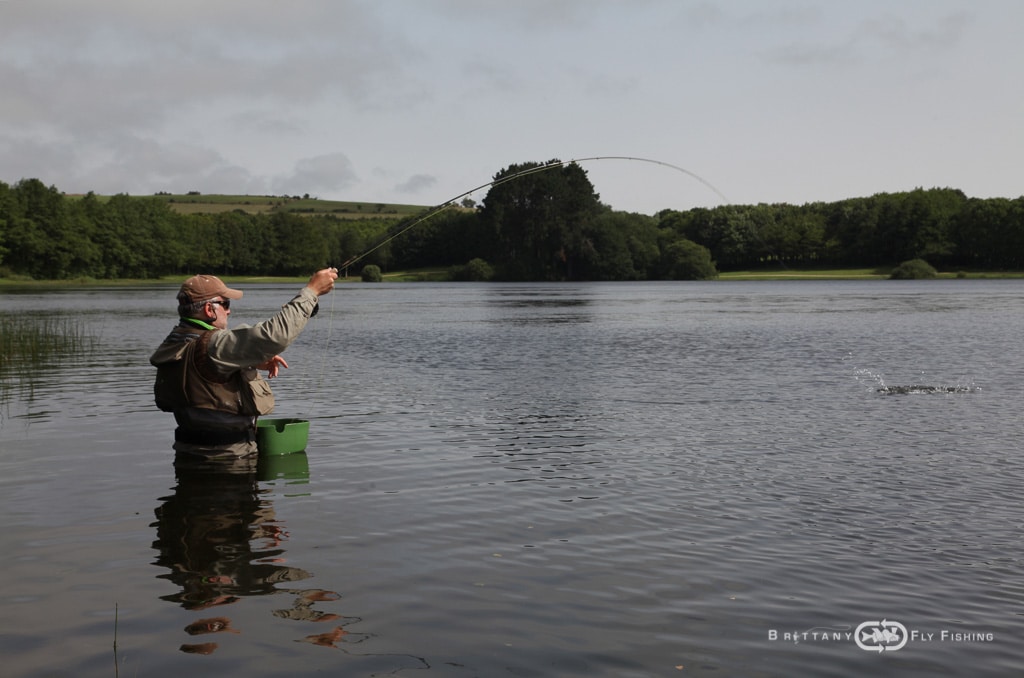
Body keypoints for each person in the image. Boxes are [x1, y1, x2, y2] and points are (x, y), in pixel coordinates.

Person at [150, 268, 338, 467]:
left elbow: (200, 369)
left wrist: (246, 361)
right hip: (228, 463)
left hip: (188, 457)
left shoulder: (174, 341)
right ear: (208, 310)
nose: (229, 310)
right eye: (225, 304)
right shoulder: (214, 345)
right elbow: (274, 336)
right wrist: (311, 291)